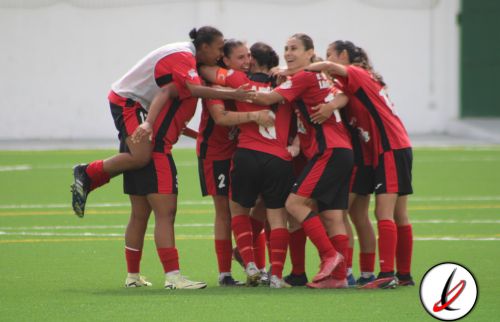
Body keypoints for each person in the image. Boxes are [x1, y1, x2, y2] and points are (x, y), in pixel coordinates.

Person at [70, 26, 253, 218]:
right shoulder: (185, 57)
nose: (220, 53)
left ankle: (89, 178)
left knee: (140, 211)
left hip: (138, 104)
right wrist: (234, 93)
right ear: (205, 47)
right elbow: (194, 89)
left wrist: (195, 135)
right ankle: (87, 172)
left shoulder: (187, 56)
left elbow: (174, 110)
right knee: (141, 157)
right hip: (128, 101)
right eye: (219, 48)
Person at [307, 40, 414, 288]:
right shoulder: (354, 82)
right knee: (376, 213)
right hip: (382, 151)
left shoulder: (356, 73)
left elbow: (331, 72)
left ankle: (386, 274)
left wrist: (294, 71)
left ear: (343, 55)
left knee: (384, 213)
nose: (327, 60)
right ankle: (397, 275)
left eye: (330, 55)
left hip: (389, 148)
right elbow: (342, 94)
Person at [250, 34, 353, 289]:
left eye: (294, 48)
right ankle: (338, 277)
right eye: (285, 48)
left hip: (328, 150)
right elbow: (343, 95)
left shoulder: (305, 77)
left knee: (293, 204)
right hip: (343, 150)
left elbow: (267, 99)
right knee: (332, 215)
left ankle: (330, 255)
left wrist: (229, 92)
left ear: (310, 53)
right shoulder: (318, 76)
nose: (288, 52)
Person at [200, 41, 294, 288]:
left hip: (246, 154)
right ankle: (264, 274)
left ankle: (252, 264)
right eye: (241, 57)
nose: (246, 61)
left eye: (248, 57)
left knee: (241, 211)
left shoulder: (237, 80)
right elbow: (220, 117)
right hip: (253, 155)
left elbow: (204, 70)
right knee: (271, 216)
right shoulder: (284, 84)